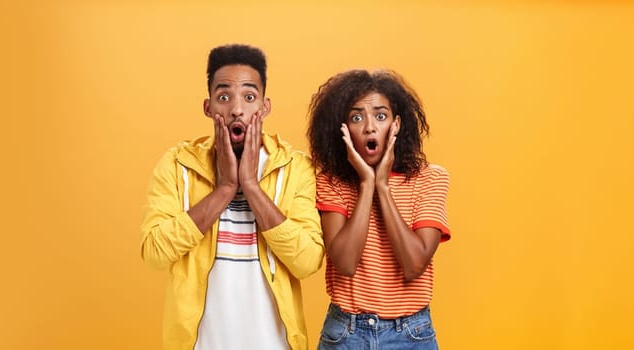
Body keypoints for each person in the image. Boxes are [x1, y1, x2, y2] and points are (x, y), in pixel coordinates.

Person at [139, 44, 325, 350]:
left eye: (249, 97)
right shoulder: (176, 164)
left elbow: (307, 261)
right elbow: (154, 252)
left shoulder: (295, 167)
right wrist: (224, 189)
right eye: (223, 96)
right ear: (208, 107)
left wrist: (250, 185)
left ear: (265, 107)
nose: (236, 109)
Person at [307, 69, 451, 349]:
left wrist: (383, 188)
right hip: (345, 334)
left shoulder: (430, 178)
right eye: (356, 117)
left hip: (411, 335)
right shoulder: (331, 182)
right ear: (343, 129)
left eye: (381, 116)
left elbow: (413, 265)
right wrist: (367, 184)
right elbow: (345, 263)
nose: (370, 127)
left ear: (396, 124)